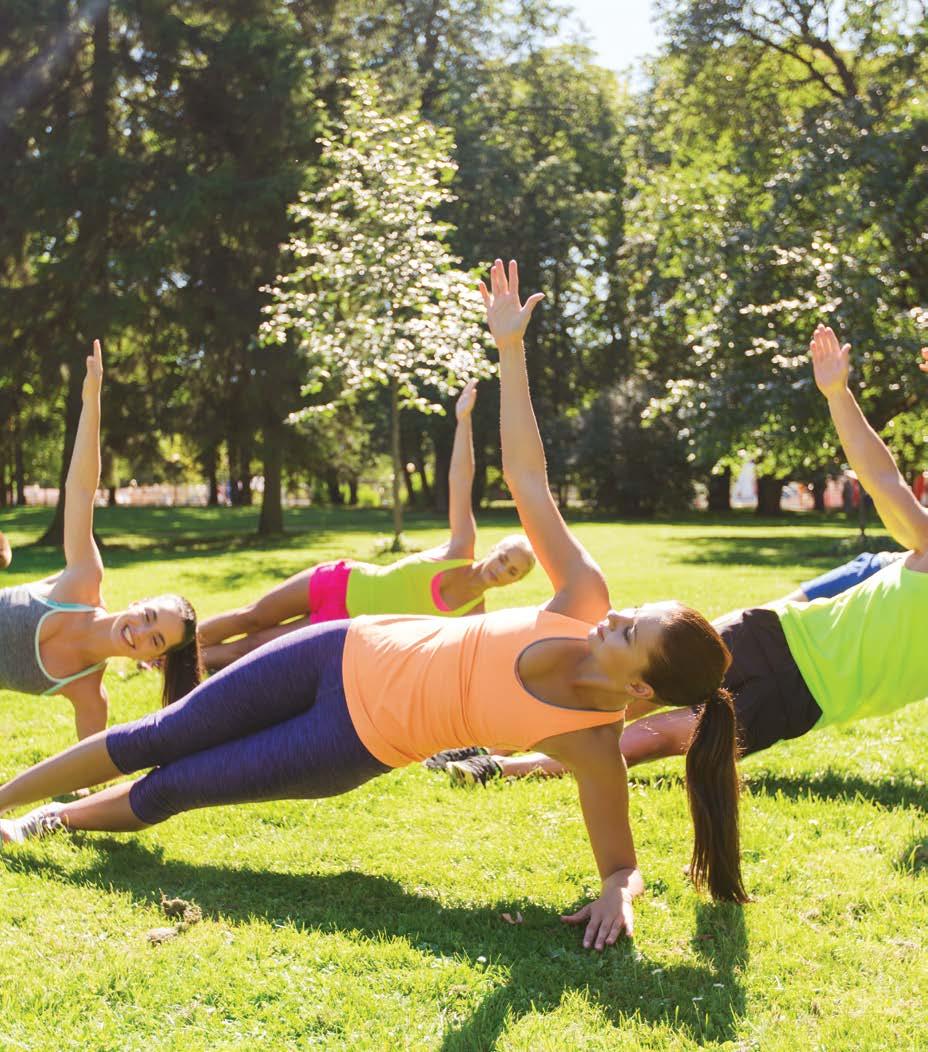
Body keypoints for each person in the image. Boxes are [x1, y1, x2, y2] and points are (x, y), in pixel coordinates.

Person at [0, 262, 747, 954]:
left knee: (179, 785)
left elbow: (619, 864)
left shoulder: (590, 744)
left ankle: (47, 820)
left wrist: (623, 891)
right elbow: (527, 479)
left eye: (630, 631)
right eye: (634, 610)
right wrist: (510, 351)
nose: (615, 616)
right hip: (338, 648)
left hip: (350, 740)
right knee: (158, 732)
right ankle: (5, 801)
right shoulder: (582, 597)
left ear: (640, 688)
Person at [439, 330, 928, 787]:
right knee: (627, 689)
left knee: (667, 737)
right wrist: (837, 394)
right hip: (778, 633)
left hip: (808, 698)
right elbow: (884, 483)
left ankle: (505, 767)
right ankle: (497, 736)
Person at [197, 379, 536, 671]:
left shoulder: (471, 616)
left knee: (253, 647)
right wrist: (463, 422)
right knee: (252, 617)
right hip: (339, 581)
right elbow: (461, 480)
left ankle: (177, 662)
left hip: (340, 627)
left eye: (512, 571)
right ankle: (172, 642)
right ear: (495, 550)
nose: (502, 568)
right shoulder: (460, 547)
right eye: (505, 558)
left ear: (513, 583)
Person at [0, 341, 203, 740]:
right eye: (148, 617)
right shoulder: (82, 581)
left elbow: (85, 769)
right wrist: (92, 400)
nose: (140, 632)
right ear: (137, 604)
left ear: (154, 658)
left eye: (155, 639)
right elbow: (80, 491)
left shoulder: (88, 693)